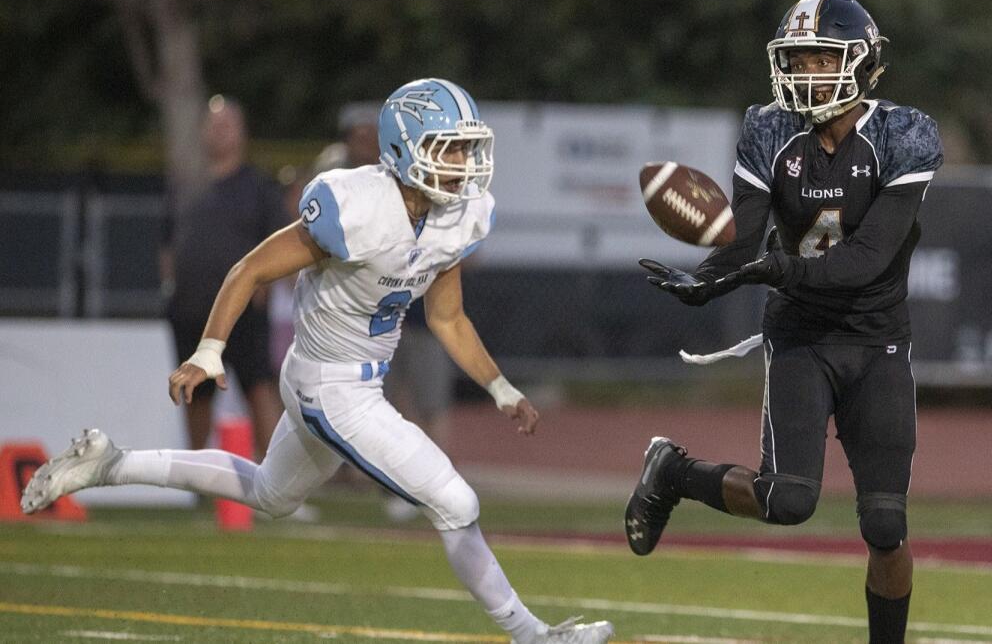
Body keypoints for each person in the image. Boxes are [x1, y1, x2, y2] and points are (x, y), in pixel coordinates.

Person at [22, 78, 614, 644]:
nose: (463, 162)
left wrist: (501, 387)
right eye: (449, 147)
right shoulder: (354, 204)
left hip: (349, 385)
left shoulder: (454, 216)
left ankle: (111, 465)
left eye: (466, 148)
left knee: (271, 496)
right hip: (330, 387)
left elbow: (448, 319)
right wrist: (209, 350)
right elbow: (248, 268)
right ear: (406, 149)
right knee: (456, 502)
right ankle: (530, 632)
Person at [626, 0, 943, 644]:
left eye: (822, 57)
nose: (805, 70)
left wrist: (776, 270)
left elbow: (867, 257)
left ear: (861, 62)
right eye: (797, 57)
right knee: (787, 500)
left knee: (886, 524)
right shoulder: (770, 128)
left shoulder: (902, 134)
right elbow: (743, 236)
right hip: (802, 336)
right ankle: (673, 472)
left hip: (877, 339)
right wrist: (707, 281)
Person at [316, 102, 460, 523]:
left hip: (421, 309)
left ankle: (437, 483)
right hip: (373, 313)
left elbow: (461, 248)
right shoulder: (343, 184)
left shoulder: (423, 183)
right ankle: (389, 482)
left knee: (431, 401)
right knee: (383, 403)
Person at [160, 95, 287, 460]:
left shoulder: (259, 187)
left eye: (227, 125)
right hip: (191, 310)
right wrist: (171, 287)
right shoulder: (186, 184)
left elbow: (278, 244)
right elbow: (167, 244)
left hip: (243, 311)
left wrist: (262, 290)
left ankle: (275, 473)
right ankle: (198, 474)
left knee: (258, 387)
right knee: (194, 392)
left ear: (242, 133)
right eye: (214, 126)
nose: (220, 133)